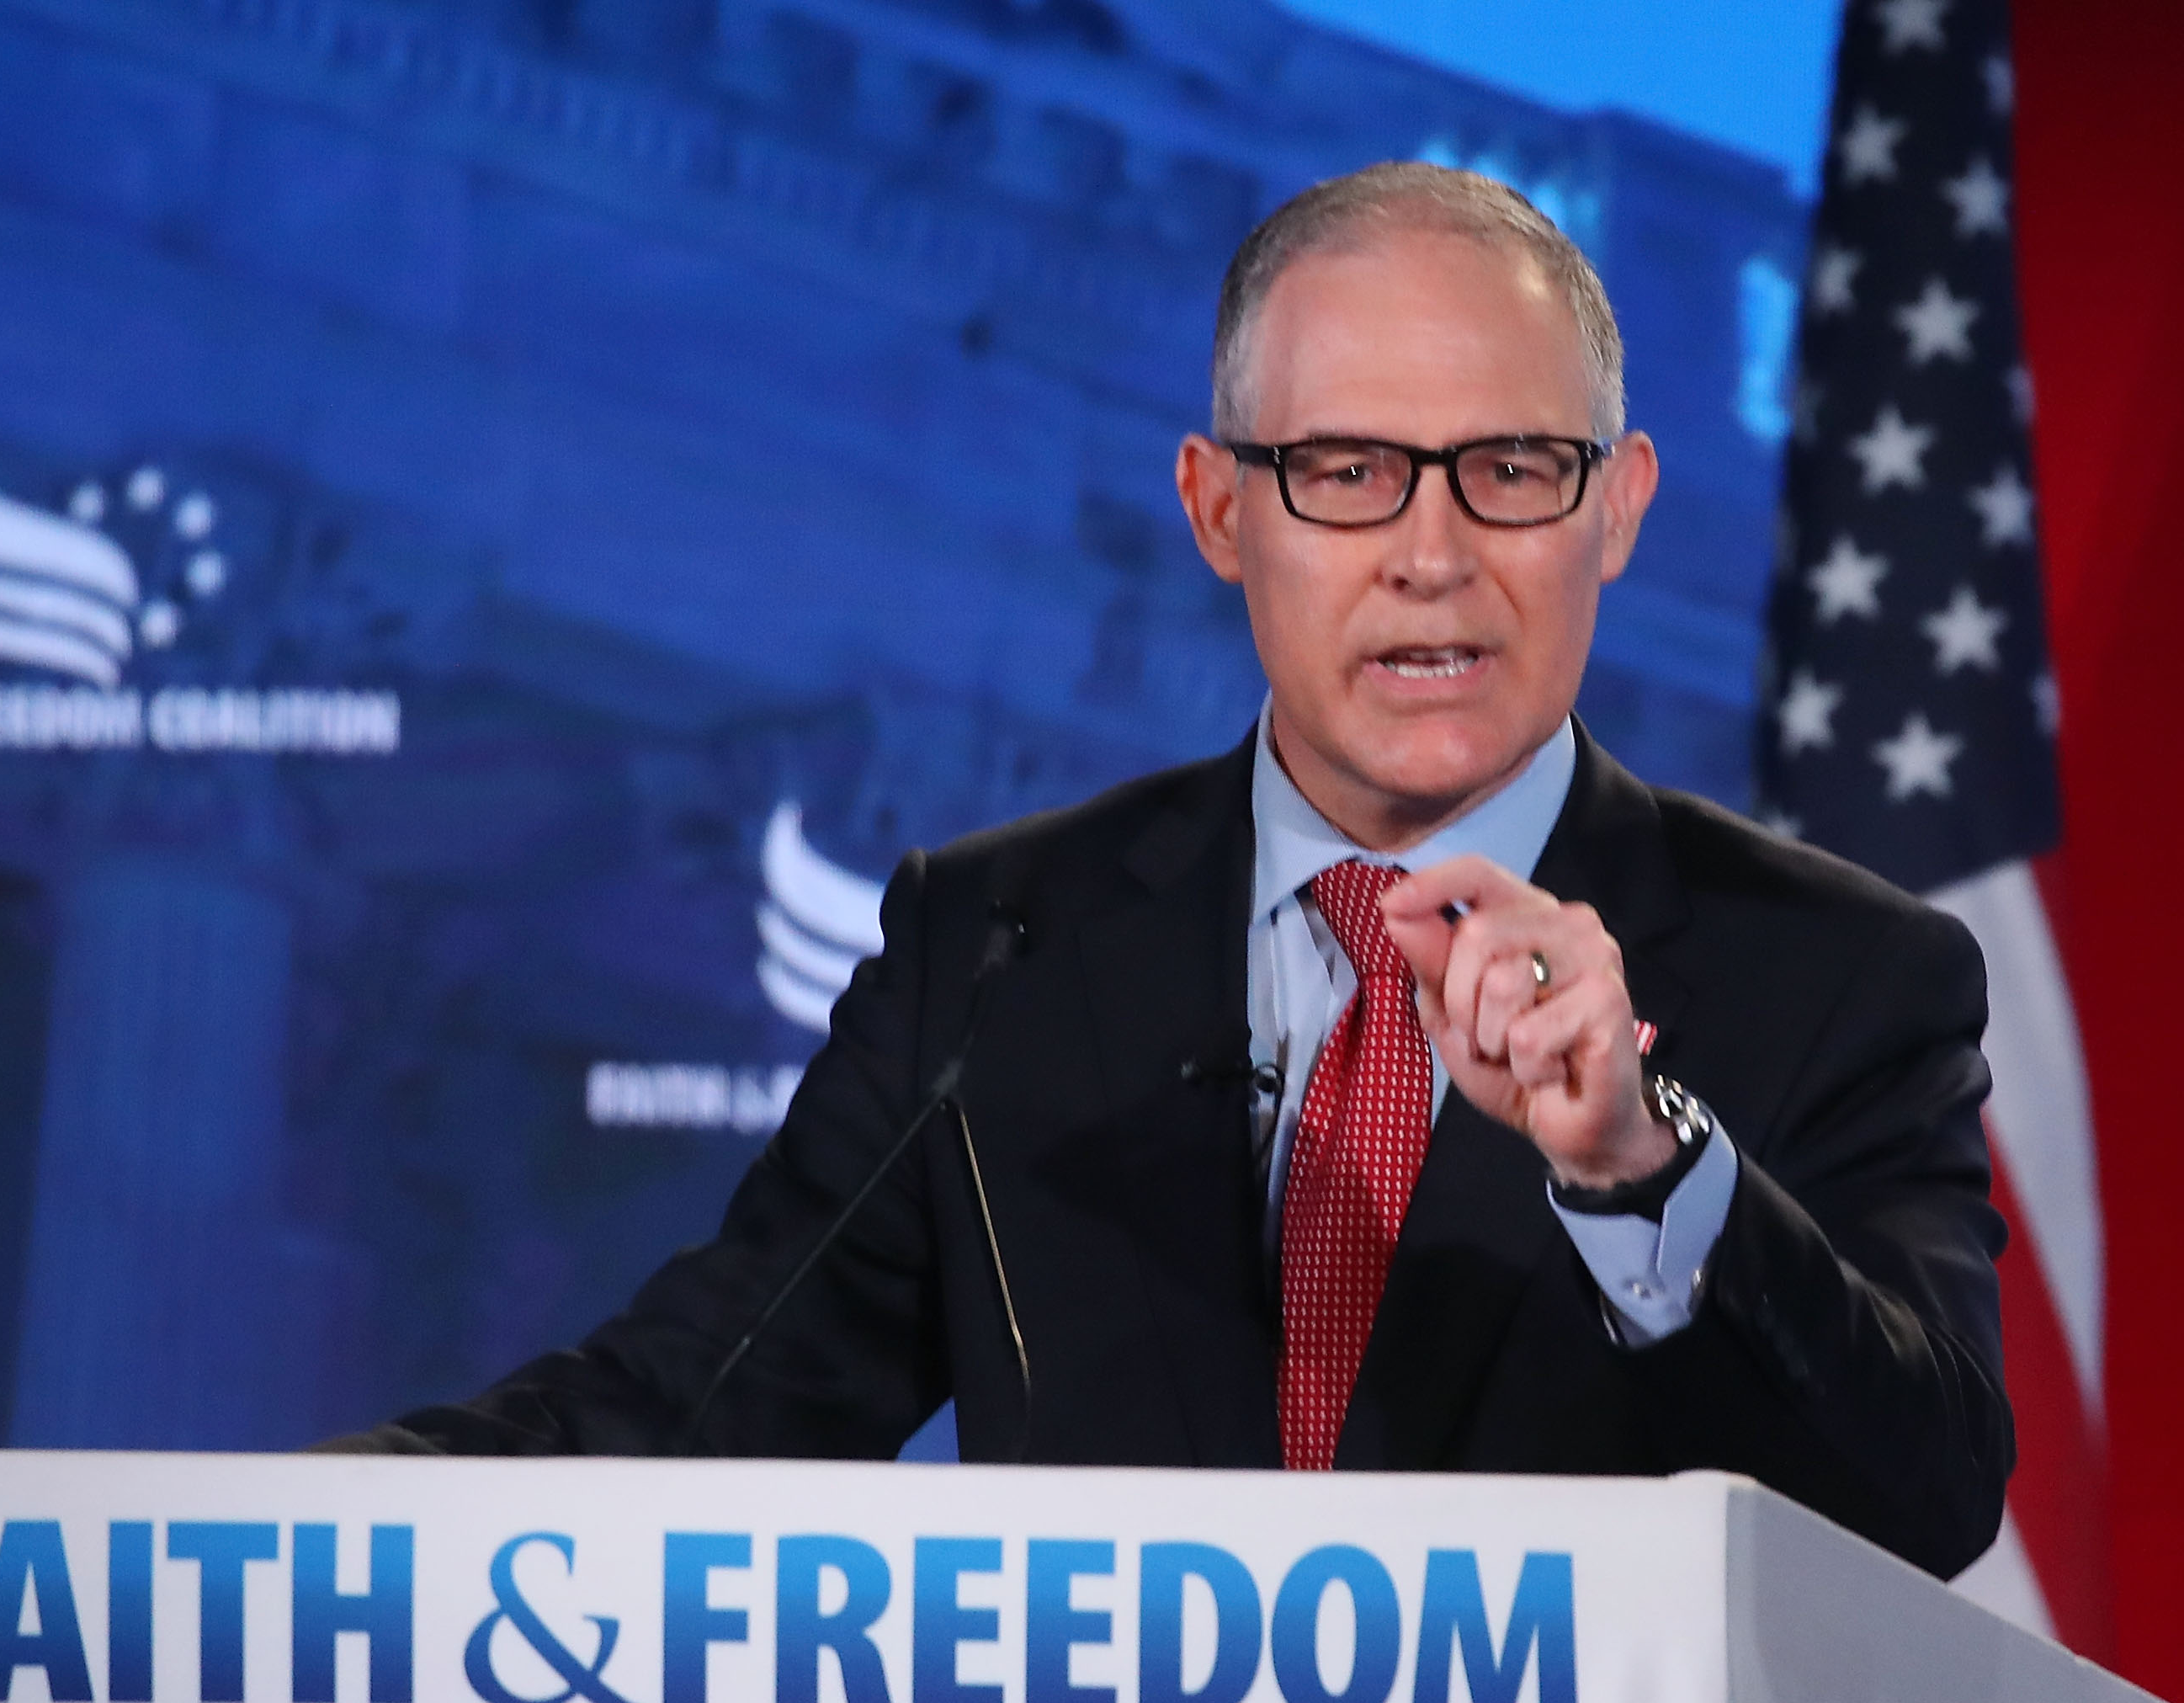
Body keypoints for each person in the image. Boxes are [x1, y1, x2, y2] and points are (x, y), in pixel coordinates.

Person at [335, 165, 2010, 1582]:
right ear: (1220, 511)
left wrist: (1644, 1171)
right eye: (1347, 473)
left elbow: (1920, 1498)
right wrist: (243, 1539)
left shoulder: (1842, 976)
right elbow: (699, 1410)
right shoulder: (997, 947)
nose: (1433, 556)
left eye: (1511, 472)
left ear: (1619, 508)